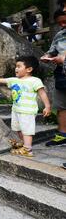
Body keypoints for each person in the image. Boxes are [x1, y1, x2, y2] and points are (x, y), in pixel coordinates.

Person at [0, 56, 51, 157]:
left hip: (27, 111)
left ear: (29, 69)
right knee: (18, 129)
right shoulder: (14, 80)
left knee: (27, 130)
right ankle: (24, 144)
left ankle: (28, 149)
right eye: (16, 66)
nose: (16, 68)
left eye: (19, 66)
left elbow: (42, 93)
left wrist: (47, 106)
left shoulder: (35, 81)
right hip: (16, 110)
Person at [40, 9, 66, 150]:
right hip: (61, 74)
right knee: (61, 106)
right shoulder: (60, 35)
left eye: (64, 21)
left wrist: (63, 58)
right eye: (59, 23)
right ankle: (62, 135)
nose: (62, 25)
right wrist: (47, 56)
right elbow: (52, 50)